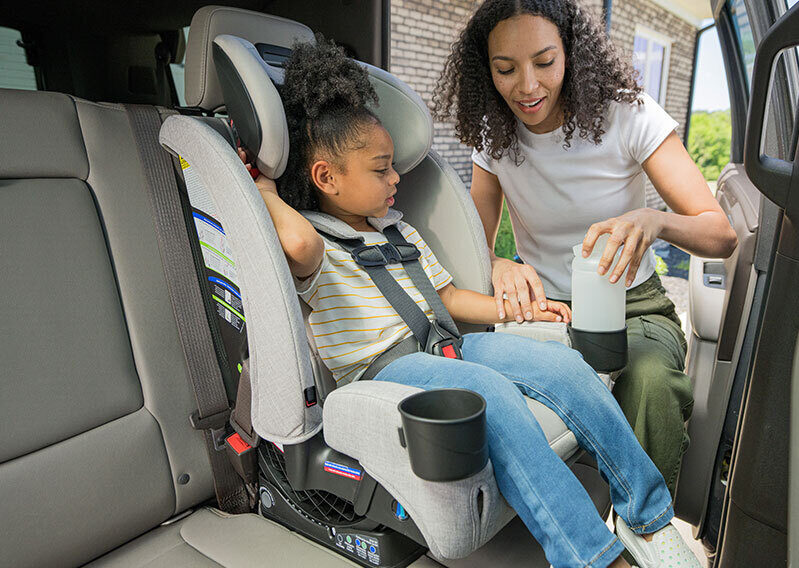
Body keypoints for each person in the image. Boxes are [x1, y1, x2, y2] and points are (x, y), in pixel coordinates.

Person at [244, 38, 700, 568]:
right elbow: (298, 246)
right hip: (383, 371)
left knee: (565, 366)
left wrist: (515, 311)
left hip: (447, 346)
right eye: (380, 169)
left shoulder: (397, 231)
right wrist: (266, 189)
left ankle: (650, 518)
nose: (396, 178)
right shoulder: (314, 241)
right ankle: (593, 557)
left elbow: (451, 298)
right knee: (493, 396)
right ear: (326, 178)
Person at [434, 0, 738, 494]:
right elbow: (476, 239)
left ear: (572, 55)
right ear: (485, 71)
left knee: (651, 386)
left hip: (630, 307)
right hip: (544, 311)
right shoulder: (494, 133)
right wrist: (496, 263)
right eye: (505, 69)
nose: (527, 86)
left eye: (545, 62)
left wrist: (655, 221)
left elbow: (720, 232)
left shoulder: (629, 115)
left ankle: (645, 530)